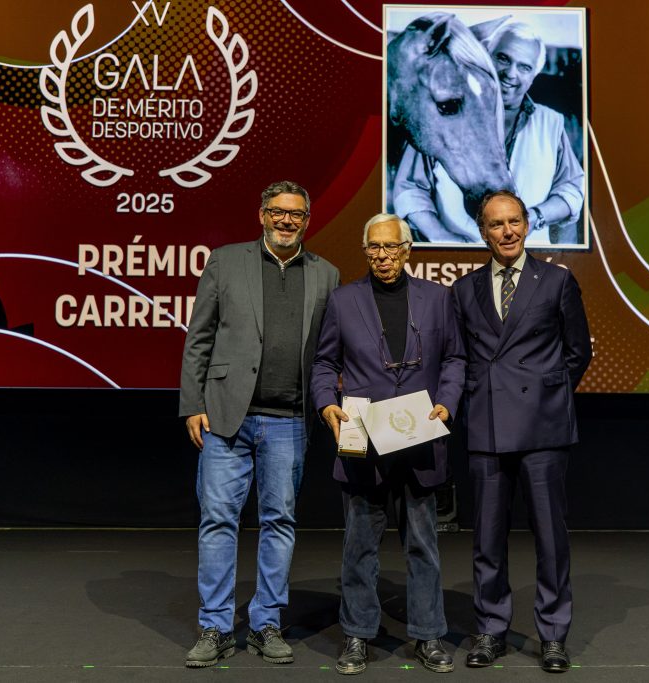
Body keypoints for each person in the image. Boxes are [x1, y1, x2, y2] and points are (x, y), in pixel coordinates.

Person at [179, 180, 340, 668]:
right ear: (262, 215)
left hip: (289, 420)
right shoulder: (226, 261)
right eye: (278, 212)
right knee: (218, 521)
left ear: (306, 220)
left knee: (280, 523)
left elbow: (331, 352)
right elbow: (199, 337)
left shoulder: (327, 275)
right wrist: (192, 403)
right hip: (228, 415)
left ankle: (267, 621)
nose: (287, 221)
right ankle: (215, 626)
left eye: (296, 214)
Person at [311, 214, 465, 675]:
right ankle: (358, 635)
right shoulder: (343, 301)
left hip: (420, 438)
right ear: (365, 251)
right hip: (364, 438)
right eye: (373, 248)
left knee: (423, 545)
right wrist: (326, 406)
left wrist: (447, 403)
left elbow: (456, 358)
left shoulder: (438, 299)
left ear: (407, 249)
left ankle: (428, 635)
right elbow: (323, 364)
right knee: (359, 546)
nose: (382, 256)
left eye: (390, 247)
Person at [451, 190, 591, 673]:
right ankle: (491, 629)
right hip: (487, 427)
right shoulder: (464, 290)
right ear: (481, 231)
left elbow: (578, 353)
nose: (506, 232)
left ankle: (553, 634)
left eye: (514, 222)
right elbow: (461, 358)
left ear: (527, 225)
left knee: (550, 536)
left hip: (544, 428)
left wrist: (549, 394)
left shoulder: (556, 281)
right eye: (496, 224)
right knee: (487, 538)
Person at [392, 21, 585, 246]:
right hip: (458, 264)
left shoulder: (552, 122)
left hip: (529, 264)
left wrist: (534, 217)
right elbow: (410, 189)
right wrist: (443, 239)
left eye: (524, 67)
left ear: (534, 76)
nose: (510, 74)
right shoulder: (447, 111)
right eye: (503, 58)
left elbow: (572, 189)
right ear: (485, 58)